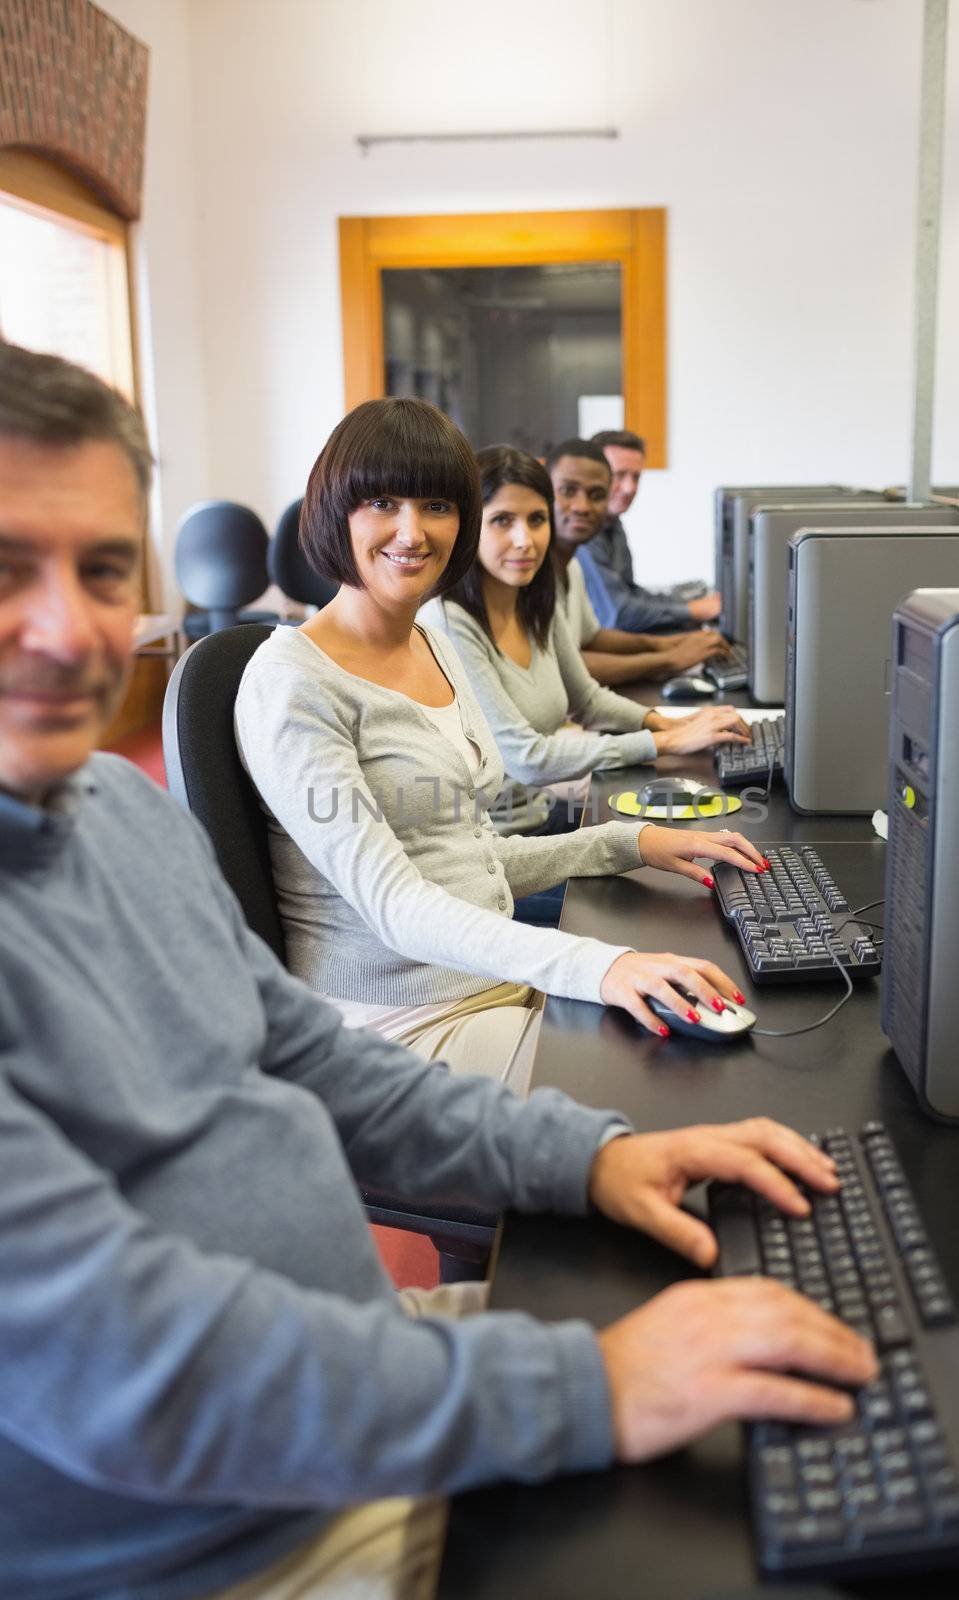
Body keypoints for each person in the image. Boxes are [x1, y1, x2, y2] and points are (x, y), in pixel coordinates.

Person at [0, 343, 877, 1600]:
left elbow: (300, 1053)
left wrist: (588, 1156)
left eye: (97, 570)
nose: (67, 625)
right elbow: (149, 1373)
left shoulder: (105, 811)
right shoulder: (286, 689)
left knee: (808, 1361)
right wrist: (593, 1385)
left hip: (351, 1356)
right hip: (228, 1538)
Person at [235, 398, 768, 1093]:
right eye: (381, 502)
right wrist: (597, 964)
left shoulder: (428, 643)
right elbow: (397, 906)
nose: (411, 530)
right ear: (334, 511)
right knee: (658, 1090)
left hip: (489, 978)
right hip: (397, 1025)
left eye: (435, 504)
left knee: (718, 1050)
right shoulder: (293, 684)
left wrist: (627, 843)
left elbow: (471, 863)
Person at [426, 443, 751, 840]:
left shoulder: (534, 601)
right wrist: (663, 741)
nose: (524, 540)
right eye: (502, 521)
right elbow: (527, 759)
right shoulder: (448, 623)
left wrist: (670, 723)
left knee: (690, 841)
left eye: (536, 520)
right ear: (468, 527)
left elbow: (588, 701)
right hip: (493, 856)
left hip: (540, 818)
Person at [546, 438, 726, 688]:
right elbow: (562, 664)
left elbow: (592, 636)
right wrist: (668, 659)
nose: (582, 506)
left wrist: (668, 644)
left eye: (596, 494)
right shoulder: (531, 568)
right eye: (568, 491)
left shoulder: (578, 559)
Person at [585, 427, 723, 629]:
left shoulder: (613, 524)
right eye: (619, 475)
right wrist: (693, 610)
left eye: (636, 477)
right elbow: (618, 613)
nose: (629, 488)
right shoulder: (583, 534)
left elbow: (630, 593)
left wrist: (689, 606)